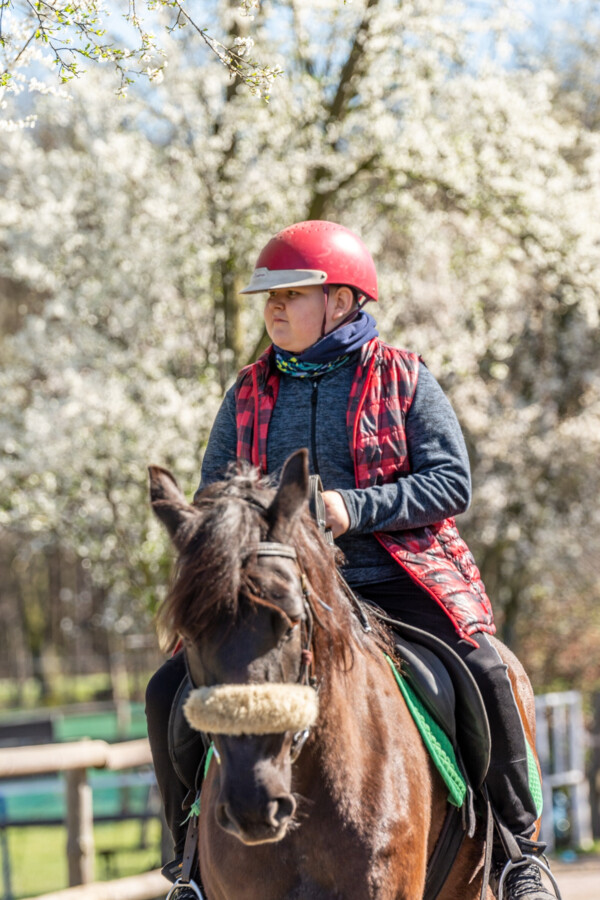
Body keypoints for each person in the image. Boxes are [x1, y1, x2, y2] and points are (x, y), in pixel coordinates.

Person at [147, 220, 555, 900]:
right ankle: (186, 865)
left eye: (292, 295)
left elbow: (451, 482)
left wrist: (353, 508)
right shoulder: (246, 391)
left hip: (396, 576)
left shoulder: (405, 377)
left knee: (489, 672)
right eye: (270, 298)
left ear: (340, 300)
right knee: (167, 688)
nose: (275, 309)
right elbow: (215, 495)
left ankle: (519, 855)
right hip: (278, 593)